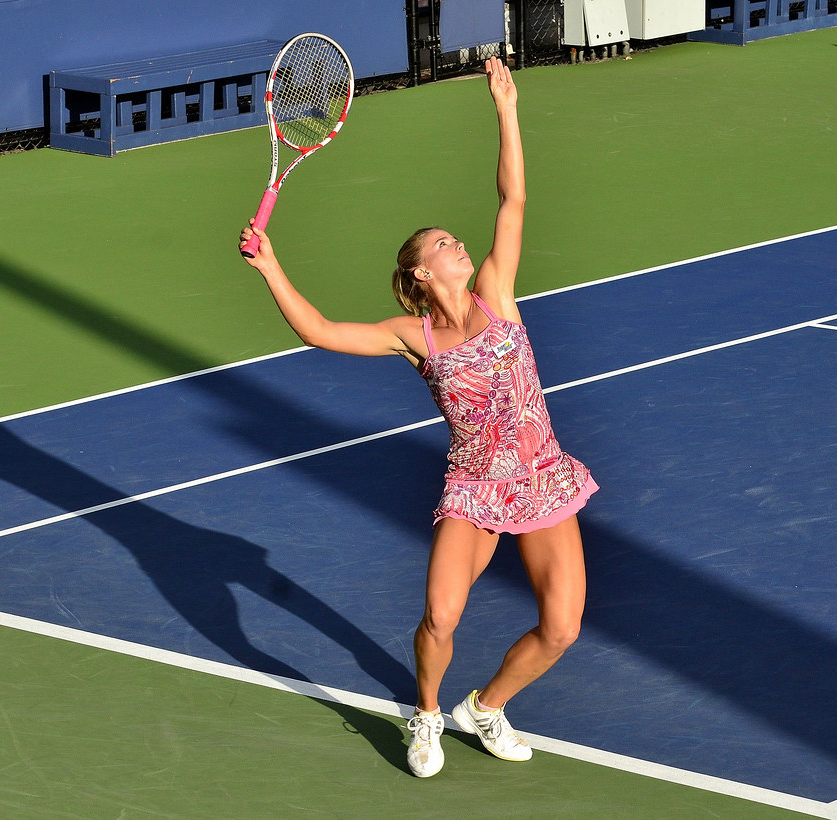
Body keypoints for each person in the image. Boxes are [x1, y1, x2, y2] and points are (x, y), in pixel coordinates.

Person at [239, 56, 598, 778]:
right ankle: (428, 714)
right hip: (473, 489)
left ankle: (486, 708)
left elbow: (513, 201)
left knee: (562, 628)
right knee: (440, 615)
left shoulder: (498, 289)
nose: (458, 244)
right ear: (422, 275)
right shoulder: (415, 338)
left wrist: (507, 107)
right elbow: (321, 331)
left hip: (542, 477)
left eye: (454, 239)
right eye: (442, 245)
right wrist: (271, 266)